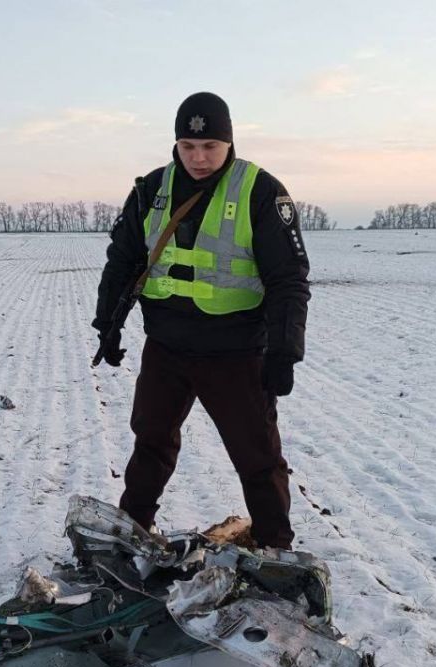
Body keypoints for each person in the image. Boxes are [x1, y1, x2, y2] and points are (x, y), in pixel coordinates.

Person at [92, 91, 310, 549]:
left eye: (210, 146)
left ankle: (276, 550)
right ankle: (133, 533)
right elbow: (122, 260)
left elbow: (288, 279)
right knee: (150, 442)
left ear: (229, 142)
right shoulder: (151, 189)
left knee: (258, 458)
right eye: (188, 147)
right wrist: (106, 325)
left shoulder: (262, 191)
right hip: (167, 348)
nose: (199, 158)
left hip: (236, 352)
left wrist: (284, 352)